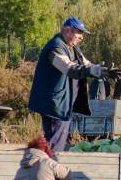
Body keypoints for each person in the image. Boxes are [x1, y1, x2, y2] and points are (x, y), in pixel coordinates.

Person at [27, 17, 104, 153]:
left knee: (54, 141)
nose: (81, 37)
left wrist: (101, 71)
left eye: (82, 33)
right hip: (55, 104)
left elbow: (85, 65)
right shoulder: (56, 48)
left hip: (62, 103)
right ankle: (47, 168)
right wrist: (92, 70)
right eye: (79, 33)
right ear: (67, 31)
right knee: (54, 143)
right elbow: (69, 68)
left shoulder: (73, 48)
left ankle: (44, 168)